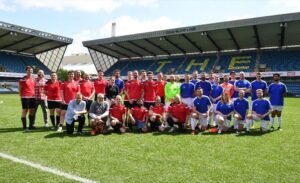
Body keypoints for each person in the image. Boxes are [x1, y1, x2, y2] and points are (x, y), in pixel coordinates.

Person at [19, 66, 36, 130]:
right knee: (25, 111)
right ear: (26, 71)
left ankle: (31, 126)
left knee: (32, 111)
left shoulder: (34, 79)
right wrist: (21, 97)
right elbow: (20, 89)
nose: (30, 71)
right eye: (28, 70)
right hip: (25, 97)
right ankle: (24, 127)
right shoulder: (22, 79)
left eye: (31, 70)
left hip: (32, 97)